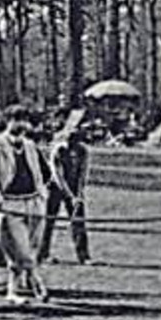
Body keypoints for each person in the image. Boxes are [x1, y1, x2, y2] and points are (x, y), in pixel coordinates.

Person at [0, 106, 48, 304]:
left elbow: (43, 173)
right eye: (16, 120)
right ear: (8, 121)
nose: (21, 124)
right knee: (19, 248)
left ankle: (12, 291)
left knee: (30, 249)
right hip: (10, 204)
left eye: (24, 120)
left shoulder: (30, 145)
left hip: (34, 202)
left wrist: (42, 194)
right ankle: (37, 282)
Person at [40, 114, 92, 266]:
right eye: (69, 140)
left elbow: (83, 173)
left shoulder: (83, 151)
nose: (71, 144)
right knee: (49, 221)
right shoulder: (58, 151)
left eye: (75, 140)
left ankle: (84, 256)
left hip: (74, 188)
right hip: (55, 188)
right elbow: (58, 176)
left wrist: (80, 194)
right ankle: (43, 254)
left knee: (78, 221)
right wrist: (70, 196)